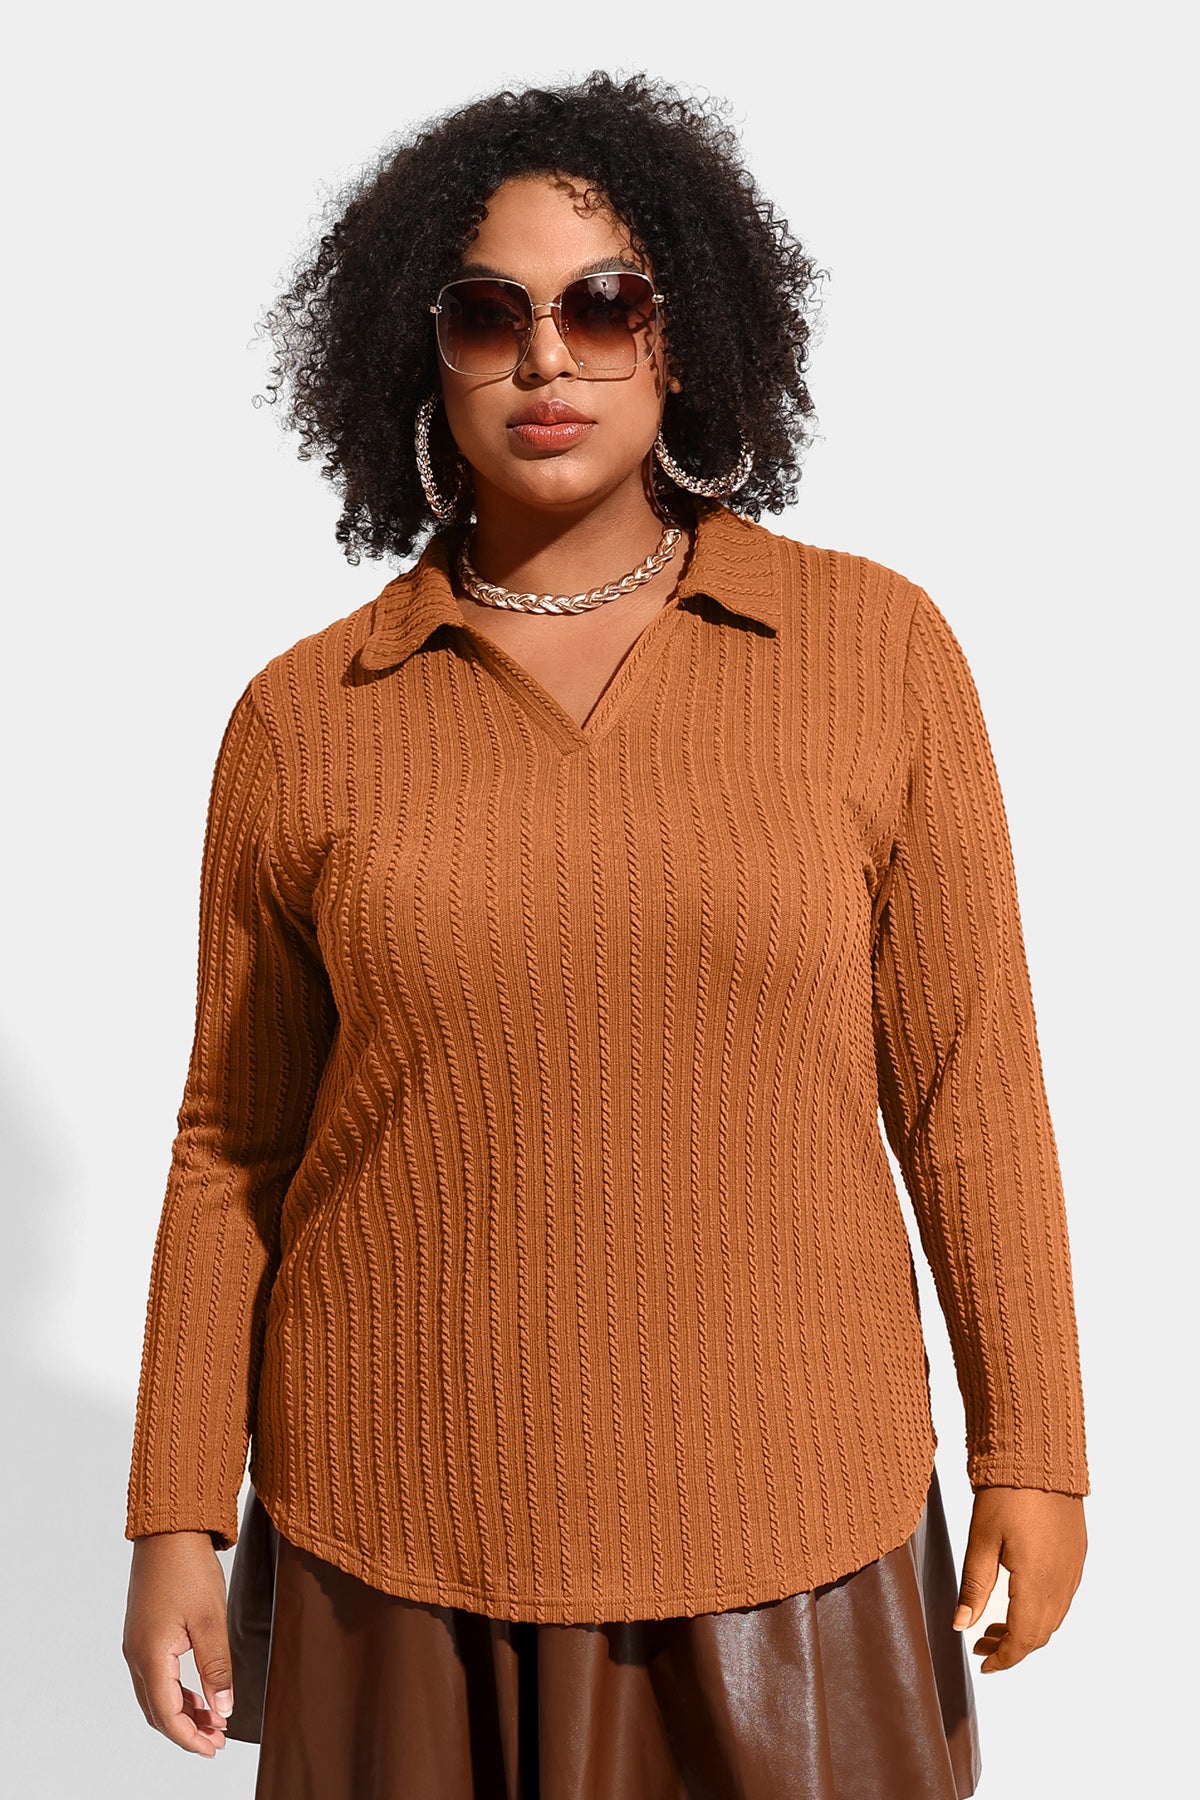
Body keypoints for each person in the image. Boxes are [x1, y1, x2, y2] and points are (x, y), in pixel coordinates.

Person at [121, 70, 1089, 1799]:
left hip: (796, 1511)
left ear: (684, 334)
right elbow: (233, 1149)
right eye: (488, 315)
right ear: (422, 354)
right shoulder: (308, 718)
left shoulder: (872, 654)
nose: (547, 358)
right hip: (396, 1529)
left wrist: (1039, 1447)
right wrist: (175, 1515)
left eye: (604, 304)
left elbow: (971, 1089)